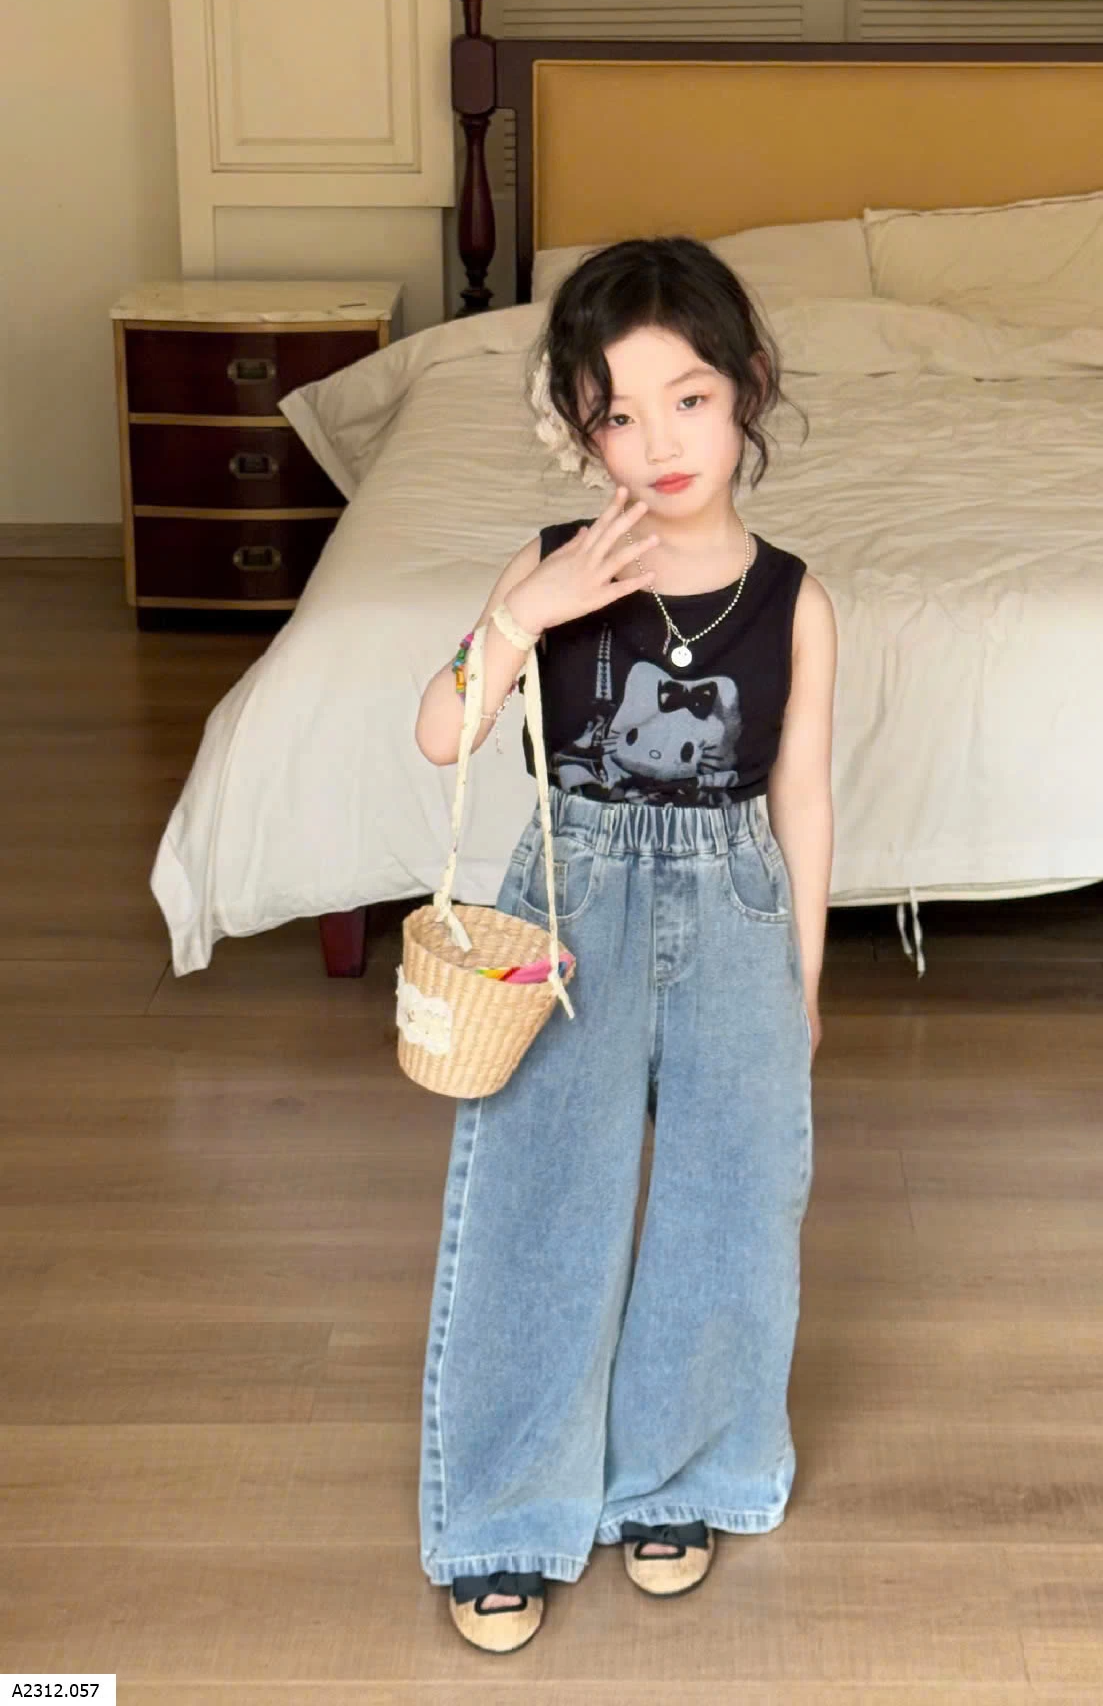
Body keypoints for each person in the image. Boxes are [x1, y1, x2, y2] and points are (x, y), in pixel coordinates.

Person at [412, 236, 837, 1654]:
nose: (659, 444)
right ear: (579, 429)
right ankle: (505, 1515)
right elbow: (442, 731)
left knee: (732, 1201)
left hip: (737, 902)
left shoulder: (796, 600)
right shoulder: (550, 565)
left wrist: (806, 978)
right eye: (618, 415)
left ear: (748, 389)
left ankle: (682, 1479)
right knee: (539, 1201)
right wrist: (524, 615)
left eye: (690, 400)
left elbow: (803, 796)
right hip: (569, 898)